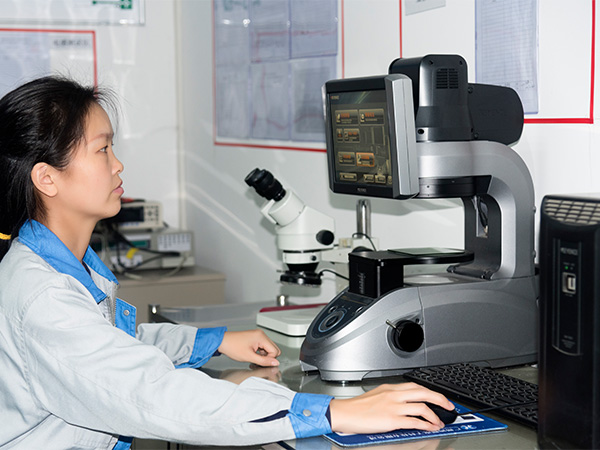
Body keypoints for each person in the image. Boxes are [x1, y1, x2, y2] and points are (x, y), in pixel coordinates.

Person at [0, 76, 453, 449]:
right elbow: (148, 393)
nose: (118, 166)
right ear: (47, 178)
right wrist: (335, 411)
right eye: (102, 150)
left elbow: (115, 347)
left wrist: (213, 341)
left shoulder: (64, 264)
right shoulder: (44, 297)